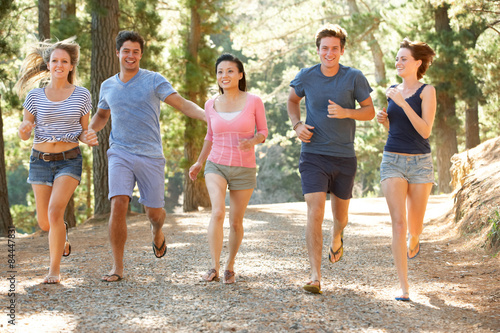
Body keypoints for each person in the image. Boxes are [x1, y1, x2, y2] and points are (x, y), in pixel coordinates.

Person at [88, 31, 206, 282]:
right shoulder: (107, 85)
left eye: (135, 51)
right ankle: (117, 267)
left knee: (154, 213)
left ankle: (157, 230)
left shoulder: (153, 80)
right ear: (117, 52)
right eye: (126, 51)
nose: (130, 56)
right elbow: (101, 116)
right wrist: (87, 131)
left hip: (151, 155)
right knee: (118, 202)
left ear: (140, 54)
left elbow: (182, 103)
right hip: (119, 151)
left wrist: (208, 116)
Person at [287, 24, 375, 294]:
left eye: (334, 48)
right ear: (318, 50)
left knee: (341, 217)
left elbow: (369, 111)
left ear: (342, 50)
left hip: (344, 157)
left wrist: (347, 112)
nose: (329, 53)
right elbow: (292, 101)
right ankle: (315, 276)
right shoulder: (306, 76)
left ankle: (337, 236)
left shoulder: (354, 77)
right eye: (324, 48)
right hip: (313, 154)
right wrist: (296, 125)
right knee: (315, 212)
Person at [15, 38, 97, 284]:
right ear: (48, 65)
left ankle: (54, 270)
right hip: (39, 159)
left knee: (54, 211)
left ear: (71, 66)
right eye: (55, 61)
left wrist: (89, 135)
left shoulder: (82, 95)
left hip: (69, 160)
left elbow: (84, 131)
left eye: (64, 61)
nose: (59, 65)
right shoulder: (34, 96)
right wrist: (23, 128)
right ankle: (62, 238)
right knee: (45, 222)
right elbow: (24, 133)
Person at [189, 53, 268, 284]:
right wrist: (199, 162)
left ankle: (229, 265)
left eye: (230, 71)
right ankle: (213, 266)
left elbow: (263, 132)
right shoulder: (210, 104)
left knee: (235, 221)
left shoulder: (254, 101)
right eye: (220, 72)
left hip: (244, 166)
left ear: (240, 75)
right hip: (217, 164)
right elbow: (209, 136)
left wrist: (252, 142)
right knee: (217, 212)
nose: (225, 75)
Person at [376, 38, 436, 301]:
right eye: (397, 58)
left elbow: (424, 130)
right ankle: (404, 288)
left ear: (418, 63)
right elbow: (397, 130)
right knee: (398, 225)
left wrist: (401, 104)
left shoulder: (427, 91)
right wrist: (385, 122)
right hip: (392, 161)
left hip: (420, 163)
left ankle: (416, 238)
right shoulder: (392, 90)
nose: (398, 62)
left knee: (415, 225)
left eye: (404, 59)